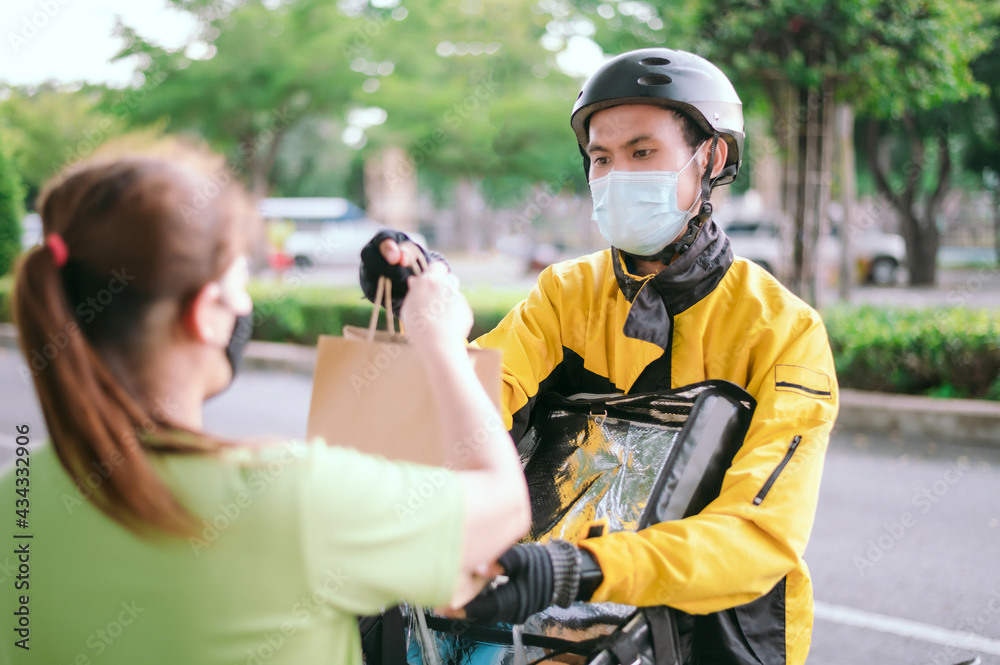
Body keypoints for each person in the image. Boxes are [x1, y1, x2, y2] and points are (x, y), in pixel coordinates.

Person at [360, 48, 839, 665]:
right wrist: (424, 311)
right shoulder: (564, 294)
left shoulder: (783, 329)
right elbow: (461, 412)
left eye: (643, 153)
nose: (616, 177)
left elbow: (760, 535)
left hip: (712, 637)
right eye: (600, 159)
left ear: (711, 157)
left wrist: (574, 566)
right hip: (539, 632)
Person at [0, 140, 530, 665]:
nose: (245, 303)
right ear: (208, 313)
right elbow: (504, 505)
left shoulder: (15, 498)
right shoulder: (290, 496)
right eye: (239, 279)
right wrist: (439, 342)